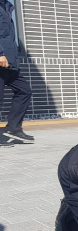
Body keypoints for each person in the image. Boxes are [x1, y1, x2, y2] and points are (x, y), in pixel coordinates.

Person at [0, 0, 33, 144]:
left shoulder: (6, 7)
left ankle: (13, 128)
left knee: (24, 90)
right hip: (1, 59)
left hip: (9, 63)